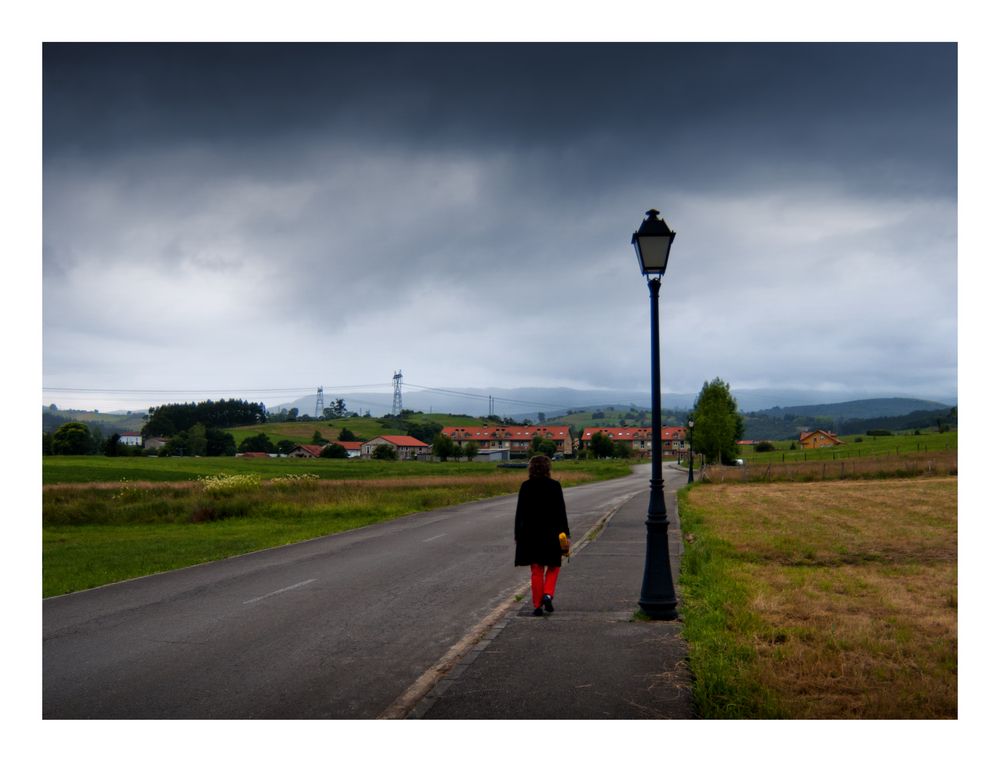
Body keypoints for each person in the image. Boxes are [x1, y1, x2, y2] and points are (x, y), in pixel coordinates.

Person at [514, 454, 570, 617]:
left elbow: (520, 514)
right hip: (552, 534)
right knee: (554, 566)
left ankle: (537, 606)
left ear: (531, 468)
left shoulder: (525, 486)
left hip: (530, 535)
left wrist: (518, 534)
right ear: (548, 468)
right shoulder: (555, 486)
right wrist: (566, 535)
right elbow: (561, 512)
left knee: (536, 570)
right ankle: (548, 594)